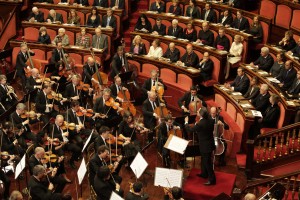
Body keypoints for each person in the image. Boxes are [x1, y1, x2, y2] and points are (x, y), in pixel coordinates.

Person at [185, 108, 216, 185]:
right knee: (204, 160)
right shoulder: (211, 120)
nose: (197, 112)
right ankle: (204, 174)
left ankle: (212, 180)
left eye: (198, 111)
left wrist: (186, 122)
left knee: (207, 163)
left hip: (205, 146)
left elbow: (190, 130)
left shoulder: (201, 124)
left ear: (201, 114)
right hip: (209, 144)